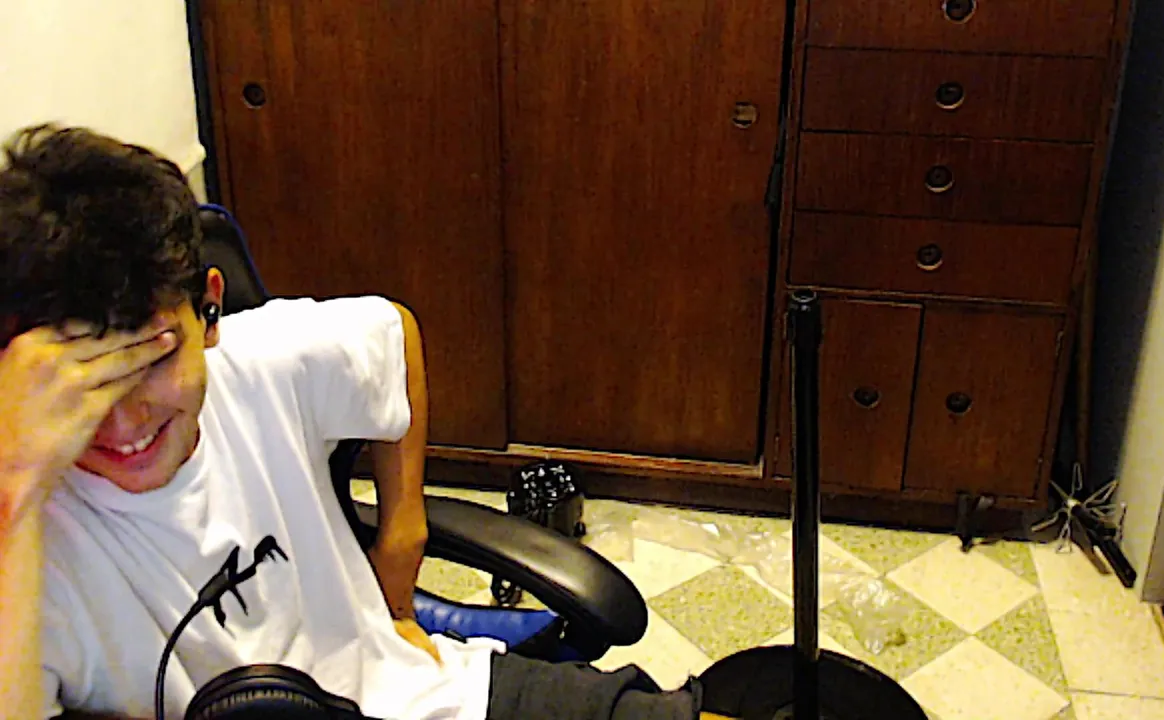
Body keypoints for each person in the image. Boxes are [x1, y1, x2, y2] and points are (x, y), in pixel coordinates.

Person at [0, 125, 725, 720]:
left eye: (150, 357)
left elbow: (391, 334)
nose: (123, 418)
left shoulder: (261, 366)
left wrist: (401, 546)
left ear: (208, 310)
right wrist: (17, 483)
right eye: (78, 382)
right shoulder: (25, 533)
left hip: (407, 694)